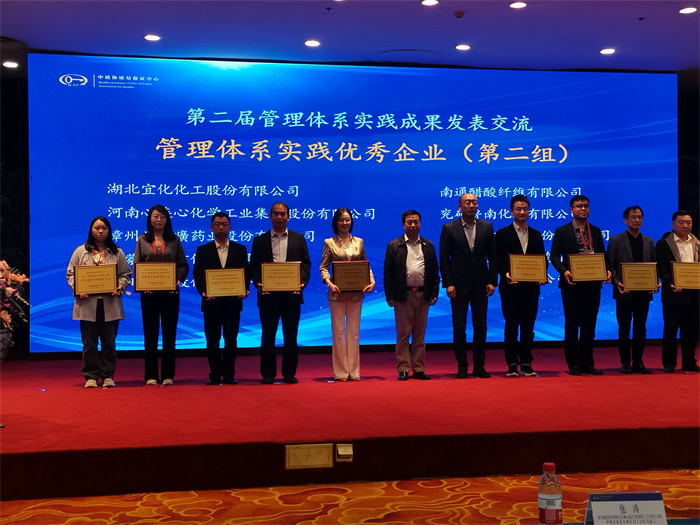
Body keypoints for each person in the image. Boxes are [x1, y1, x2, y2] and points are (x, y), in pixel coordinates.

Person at [66, 216, 131, 388]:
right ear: (91, 230)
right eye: (97, 228)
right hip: (87, 303)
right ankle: (91, 376)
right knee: (89, 343)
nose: (100, 231)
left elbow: (125, 274)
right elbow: (70, 274)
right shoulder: (80, 251)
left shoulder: (117, 252)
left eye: (104, 228)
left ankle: (108, 375)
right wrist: (78, 288)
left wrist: (120, 286)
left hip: (110, 303)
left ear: (109, 231)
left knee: (109, 342)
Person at [250, 202, 311, 384]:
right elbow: (254, 266)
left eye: (283, 214)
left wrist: (302, 282)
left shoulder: (298, 238)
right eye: (276, 214)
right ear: (270, 216)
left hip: (292, 295)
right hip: (268, 296)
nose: (279, 217)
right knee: (268, 336)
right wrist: (258, 283)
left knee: (291, 336)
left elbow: (305, 264)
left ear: (288, 217)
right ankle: (268, 374)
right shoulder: (259, 240)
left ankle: (289, 373)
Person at [550, 195, 611, 376]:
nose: (583, 209)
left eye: (585, 206)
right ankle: (573, 364)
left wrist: (606, 270)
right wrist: (564, 271)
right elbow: (554, 256)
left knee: (589, 325)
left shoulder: (596, 231)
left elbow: (602, 255)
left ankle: (588, 363)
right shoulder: (562, 230)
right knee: (572, 324)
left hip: (592, 284)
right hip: (572, 284)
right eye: (578, 206)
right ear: (571, 209)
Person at [439, 192, 497, 378]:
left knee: (481, 327)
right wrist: (448, 283)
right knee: (459, 326)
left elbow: (493, 256)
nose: (471, 206)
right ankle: (462, 366)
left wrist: (491, 281)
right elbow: (444, 258)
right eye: (467, 203)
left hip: (481, 284)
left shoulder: (486, 226)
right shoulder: (449, 228)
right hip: (458, 285)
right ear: (459, 206)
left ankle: (479, 366)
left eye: (474, 202)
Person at [133, 205, 189, 386]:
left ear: (167, 219)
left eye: (162, 216)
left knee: (169, 334)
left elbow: (183, 265)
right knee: (150, 335)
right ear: (150, 219)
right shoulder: (142, 239)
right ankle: (150, 375)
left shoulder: (174, 239)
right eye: (156, 216)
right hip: (148, 294)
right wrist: (143, 284)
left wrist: (177, 279)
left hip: (170, 293)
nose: (159, 220)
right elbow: (136, 265)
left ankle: (167, 375)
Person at [193, 212, 250, 385]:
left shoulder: (240, 249)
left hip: (233, 303)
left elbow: (245, 272)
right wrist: (203, 291)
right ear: (211, 227)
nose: (221, 227)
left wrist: (244, 289)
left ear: (229, 227)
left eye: (224, 224)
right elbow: (198, 274)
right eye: (217, 224)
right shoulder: (203, 250)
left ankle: (229, 374)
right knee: (212, 341)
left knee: (231, 340)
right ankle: (215, 374)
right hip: (211, 303)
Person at [494, 195, 548, 377]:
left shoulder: (536, 234)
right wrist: (506, 273)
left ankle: (526, 362)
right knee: (511, 326)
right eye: (518, 209)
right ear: (511, 211)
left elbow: (542, 259)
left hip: (531, 288)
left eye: (525, 208)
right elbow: (497, 260)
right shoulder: (502, 234)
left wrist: (543, 275)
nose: (522, 212)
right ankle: (511, 363)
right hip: (510, 288)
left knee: (528, 326)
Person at [319, 208, 375, 381]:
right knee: (338, 332)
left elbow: (365, 264)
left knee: (354, 332)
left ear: (351, 221)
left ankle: (354, 371)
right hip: (336, 294)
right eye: (341, 220)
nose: (345, 223)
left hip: (356, 293)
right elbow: (323, 267)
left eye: (347, 220)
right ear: (336, 222)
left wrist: (371, 281)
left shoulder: (359, 241)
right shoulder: (329, 242)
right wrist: (329, 284)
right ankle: (341, 372)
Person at [383, 210, 440, 381]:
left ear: (420, 224)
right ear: (403, 225)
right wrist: (390, 295)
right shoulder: (394, 245)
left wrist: (434, 292)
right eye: (409, 222)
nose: (413, 225)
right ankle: (403, 368)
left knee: (419, 335)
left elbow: (434, 272)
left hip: (423, 294)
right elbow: (388, 273)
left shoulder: (428, 245)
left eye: (416, 222)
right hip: (403, 295)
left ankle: (419, 368)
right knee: (403, 335)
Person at [608, 206, 656, 374]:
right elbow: (610, 266)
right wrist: (617, 282)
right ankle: (625, 362)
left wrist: (654, 281)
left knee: (641, 328)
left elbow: (653, 265)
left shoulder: (649, 241)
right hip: (624, 292)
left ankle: (638, 362)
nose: (637, 220)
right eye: (633, 217)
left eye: (640, 217)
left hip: (643, 292)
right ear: (625, 220)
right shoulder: (616, 240)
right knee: (624, 328)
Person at [655, 210, 699, 373]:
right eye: (681, 222)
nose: (685, 225)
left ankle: (689, 362)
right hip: (673, 293)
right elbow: (662, 267)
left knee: (691, 330)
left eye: (688, 222)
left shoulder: (697, 242)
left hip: (694, 294)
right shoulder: (663, 243)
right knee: (671, 329)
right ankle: (669, 363)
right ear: (672, 224)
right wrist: (669, 283)